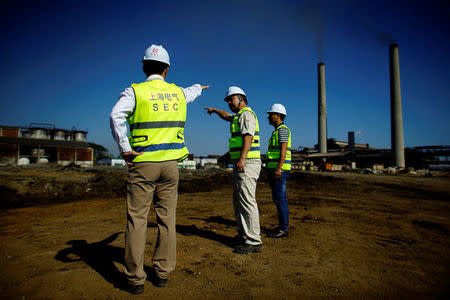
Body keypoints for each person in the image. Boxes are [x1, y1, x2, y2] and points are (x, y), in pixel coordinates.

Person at [110, 44, 209, 294]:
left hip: (143, 164)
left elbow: (115, 116)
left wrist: (125, 148)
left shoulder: (135, 92)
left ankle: (135, 278)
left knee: (137, 219)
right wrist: (199, 88)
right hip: (170, 166)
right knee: (167, 219)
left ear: (144, 66)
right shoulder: (177, 93)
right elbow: (189, 93)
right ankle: (162, 272)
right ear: (167, 69)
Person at [204, 86, 263, 254]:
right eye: (228, 101)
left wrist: (242, 158)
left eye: (231, 99)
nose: (229, 103)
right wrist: (215, 110)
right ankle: (244, 234)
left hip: (248, 163)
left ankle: (253, 240)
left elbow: (248, 137)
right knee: (239, 200)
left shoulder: (247, 115)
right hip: (243, 163)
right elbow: (227, 116)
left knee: (247, 200)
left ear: (241, 98)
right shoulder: (238, 116)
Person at [266, 103, 291, 238]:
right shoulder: (276, 131)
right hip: (275, 170)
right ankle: (282, 227)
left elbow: (283, 150)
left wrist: (279, 168)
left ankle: (283, 229)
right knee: (278, 198)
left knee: (280, 198)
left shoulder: (282, 130)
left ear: (279, 116)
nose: (269, 117)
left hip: (279, 171)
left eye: (271, 115)